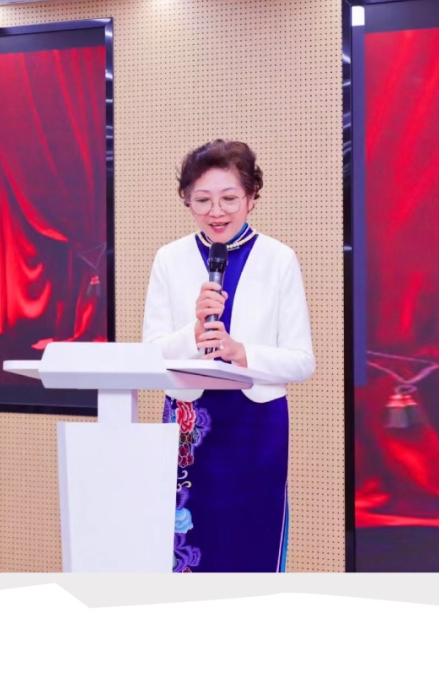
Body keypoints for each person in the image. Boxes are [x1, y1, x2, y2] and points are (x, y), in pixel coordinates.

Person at [142, 139, 315, 572]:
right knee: (188, 547)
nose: (216, 212)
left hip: (256, 424)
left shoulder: (279, 259)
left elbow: (301, 361)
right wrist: (193, 332)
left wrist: (241, 352)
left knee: (250, 541)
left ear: (251, 198)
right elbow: (150, 355)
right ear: (187, 201)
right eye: (202, 200)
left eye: (229, 199)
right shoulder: (169, 259)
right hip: (190, 424)